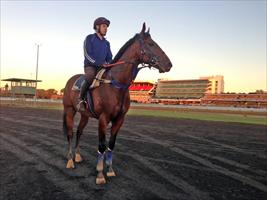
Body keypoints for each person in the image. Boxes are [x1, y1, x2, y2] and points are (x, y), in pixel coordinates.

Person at [77, 17, 113, 112]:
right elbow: (87, 54)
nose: (106, 29)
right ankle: (81, 99)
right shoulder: (89, 38)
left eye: (107, 27)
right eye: (104, 26)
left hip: (103, 67)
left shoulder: (107, 43)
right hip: (90, 66)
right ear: (97, 27)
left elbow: (109, 57)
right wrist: (99, 63)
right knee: (90, 76)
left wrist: (109, 63)